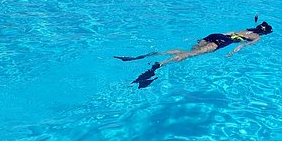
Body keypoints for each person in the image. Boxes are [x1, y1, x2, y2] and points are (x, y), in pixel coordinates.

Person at [115, 21, 273, 88]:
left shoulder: (246, 29)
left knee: (186, 51)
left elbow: (228, 33)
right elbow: (243, 46)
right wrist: (232, 52)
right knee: (188, 55)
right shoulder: (257, 37)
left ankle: (142, 57)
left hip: (214, 36)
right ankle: (158, 65)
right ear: (264, 33)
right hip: (220, 43)